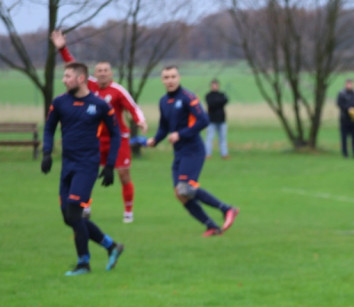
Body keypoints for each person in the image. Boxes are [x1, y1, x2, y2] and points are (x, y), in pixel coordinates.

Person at [51, 30, 147, 223]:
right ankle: (85, 206)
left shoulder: (118, 91)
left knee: (123, 174)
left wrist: (140, 120)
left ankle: (128, 212)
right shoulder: (89, 86)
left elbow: (133, 107)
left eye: (106, 70)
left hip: (117, 138)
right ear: (93, 74)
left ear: (111, 73)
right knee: (89, 173)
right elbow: (72, 65)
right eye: (99, 71)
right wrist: (62, 48)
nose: (102, 73)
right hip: (94, 138)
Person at [42, 61, 125, 276]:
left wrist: (109, 165)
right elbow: (49, 128)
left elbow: (116, 134)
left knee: (75, 211)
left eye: (68, 76)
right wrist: (46, 153)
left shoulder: (99, 105)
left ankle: (83, 263)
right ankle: (111, 246)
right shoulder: (60, 103)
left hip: (87, 166)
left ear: (80, 78)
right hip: (67, 166)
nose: (63, 80)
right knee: (69, 217)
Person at [146, 65, 238, 237]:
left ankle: (227, 209)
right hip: (179, 153)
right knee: (180, 194)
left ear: (179, 77)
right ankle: (211, 226)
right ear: (162, 80)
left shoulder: (188, 97)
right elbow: (163, 128)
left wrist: (180, 134)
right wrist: (154, 140)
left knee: (185, 188)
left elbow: (204, 120)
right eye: (166, 77)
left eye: (173, 76)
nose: (170, 80)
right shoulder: (163, 102)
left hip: (193, 150)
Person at [336, 78, 354, 158]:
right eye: (348, 84)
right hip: (344, 119)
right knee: (344, 137)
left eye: (351, 84)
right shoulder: (341, 94)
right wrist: (349, 109)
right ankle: (345, 153)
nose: (349, 85)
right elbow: (339, 104)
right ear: (345, 84)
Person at [204, 79, 229, 159]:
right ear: (211, 86)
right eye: (213, 85)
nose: (214, 87)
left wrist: (216, 102)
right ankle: (207, 154)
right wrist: (219, 102)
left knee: (223, 138)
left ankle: (224, 154)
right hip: (211, 120)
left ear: (218, 86)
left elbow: (225, 101)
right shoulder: (208, 95)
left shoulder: (222, 94)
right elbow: (211, 103)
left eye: (216, 85)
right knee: (209, 138)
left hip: (222, 120)